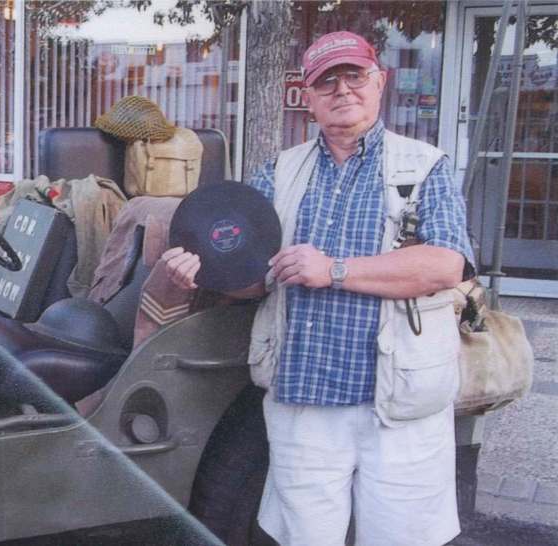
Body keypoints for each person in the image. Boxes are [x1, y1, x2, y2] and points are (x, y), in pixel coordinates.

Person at [164, 31, 473, 545]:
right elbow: (254, 281)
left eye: (354, 75)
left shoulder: (425, 167)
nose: (342, 89)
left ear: (380, 83)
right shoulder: (279, 172)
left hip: (396, 404)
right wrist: (201, 275)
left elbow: (444, 265)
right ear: (306, 96)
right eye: (326, 80)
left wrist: (334, 270)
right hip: (302, 400)